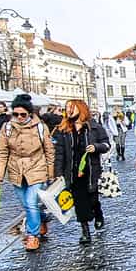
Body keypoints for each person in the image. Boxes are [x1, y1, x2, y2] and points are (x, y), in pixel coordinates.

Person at [0, 94, 55, 252]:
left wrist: (51, 173)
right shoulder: (7, 128)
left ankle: (32, 236)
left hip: (37, 167)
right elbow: (2, 152)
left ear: (30, 113)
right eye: (16, 114)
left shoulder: (40, 127)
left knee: (30, 203)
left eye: (23, 114)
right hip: (16, 170)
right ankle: (42, 218)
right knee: (27, 205)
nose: (19, 117)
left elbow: (49, 151)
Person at [53, 99, 110, 244]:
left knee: (93, 199)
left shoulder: (94, 127)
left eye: (72, 107)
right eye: (67, 108)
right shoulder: (64, 129)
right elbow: (59, 153)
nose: (69, 110)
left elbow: (106, 144)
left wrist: (96, 147)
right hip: (72, 172)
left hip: (91, 170)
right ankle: (85, 231)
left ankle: (98, 213)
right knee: (79, 201)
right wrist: (58, 172)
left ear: (80, 108)